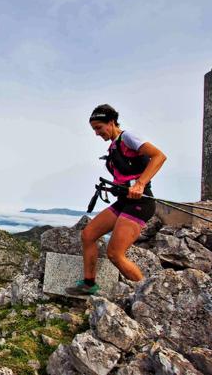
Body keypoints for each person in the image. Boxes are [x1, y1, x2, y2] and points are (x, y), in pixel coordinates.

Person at [65, 104, 167, 295]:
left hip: (140, 203)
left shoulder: (128, 137)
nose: (96, 133)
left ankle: (150, 296)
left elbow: (159, 156)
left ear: (111, 123)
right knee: (88, 235)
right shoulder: (113, 147)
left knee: (115, 254)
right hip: (124, 202)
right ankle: (89, 284)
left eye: (98, 128)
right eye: (94, 129)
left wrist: (140, 184)